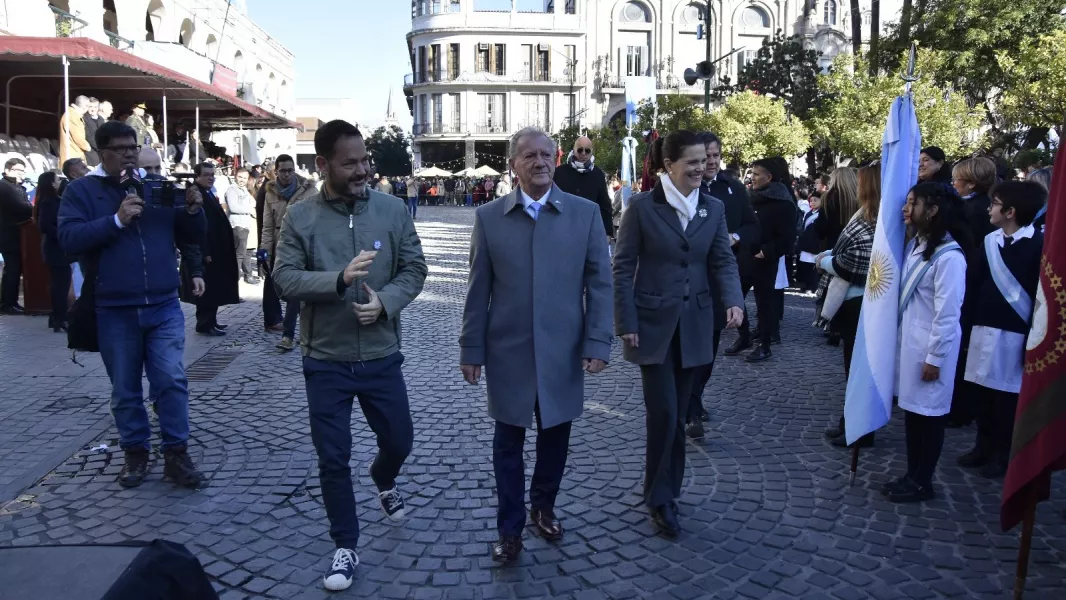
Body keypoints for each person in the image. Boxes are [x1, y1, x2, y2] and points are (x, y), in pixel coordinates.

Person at [272, 120, 427, 591]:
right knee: (332, 458)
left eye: (365, 160)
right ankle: (345, 544)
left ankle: (383, 477)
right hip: (326, 361)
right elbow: (284, 279)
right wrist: (337, 281)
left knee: (399, 441)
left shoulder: (392, 209)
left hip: (382, 355)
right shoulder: (300, 217)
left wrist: (386, 302)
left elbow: (415, 268)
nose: (362, 170)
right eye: (350, 162)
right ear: (322, 165)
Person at [459, 127, 612, 562]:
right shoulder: (489, 218)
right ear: (514, 165)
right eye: (530, 155)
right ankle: (509, 529)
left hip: (562, 350)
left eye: (547, 154)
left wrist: (598, 340)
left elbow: (600, 284)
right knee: (507, 442)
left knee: (555, 436)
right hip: (508, 350)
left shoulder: (584, 214)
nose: (540, 162)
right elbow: (477, 290)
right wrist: (471, 349)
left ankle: (542, 506)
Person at [58, 120, 207, 489]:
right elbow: (68, 238)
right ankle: (135, 454)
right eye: (120, 148)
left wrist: (192, 210)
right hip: (114, 308)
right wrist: (116, 220)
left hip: (163, 304)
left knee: (171, 379)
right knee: (125, 389)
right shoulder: (81, 190)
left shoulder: (155, 186)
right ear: (101, 153)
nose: (128, 153)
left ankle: (176, 453)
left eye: (132, 146)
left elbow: (191, 234)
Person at [613, 130, 744, 537]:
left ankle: (664, 490)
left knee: (680, 411)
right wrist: (626, 322)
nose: (701, 169)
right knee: (665, 413)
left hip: (696, 325)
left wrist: (733, 300)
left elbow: (722, 260)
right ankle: (660, 497)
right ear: (668, 166)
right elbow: (621, 267)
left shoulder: (714, 208)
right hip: (652, 327)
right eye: (691, 163)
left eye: (704, 161)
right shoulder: (641, 208)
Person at [881, 183, 970, 503]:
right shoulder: (917, 245)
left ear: (932, 210)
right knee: (913, 414)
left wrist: (935, 357)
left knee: (929, 417)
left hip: (931, 351)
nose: (906, 209)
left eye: (912, 203)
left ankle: (923, 481)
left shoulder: (950, 257)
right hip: (911, 347)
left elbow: (948, 315)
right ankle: (911, 474)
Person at [957, 181, 1046, 478]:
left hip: (1015, 333)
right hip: (984, 327)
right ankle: (982, 445)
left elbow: (1040, 296)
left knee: (1007, 398)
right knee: (981, 390)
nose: (989, 208)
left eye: (994, 203)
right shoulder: (989, 242)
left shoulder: (1038, 245)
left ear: (1010, 211)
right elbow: (974, 285)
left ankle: (1003, 452)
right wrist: (966, 326)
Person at [685, 131, 759, 437]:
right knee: (689, 347)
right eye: (706, 156)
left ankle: (695, 397)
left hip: (720, 283)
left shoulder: (734, 189)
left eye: (715, 155)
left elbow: (753, 226)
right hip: (689, 284)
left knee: (709, 352)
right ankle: (689, 409)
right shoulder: (685, 188)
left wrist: (736, 237)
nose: (711, 162)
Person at [818, 165, 879, 448]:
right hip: (851, 300)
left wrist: (826, 261)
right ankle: (850, 421)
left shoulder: (874, 218)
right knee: (851, 368)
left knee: (858, 369)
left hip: (861, 302)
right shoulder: (863, 212)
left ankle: (860, 427)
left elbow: (858, 263)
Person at [726, 158, 796, 363]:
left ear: (769, 177)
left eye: (756, 174)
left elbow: (787, 238)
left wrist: (766, 252)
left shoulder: (784, 203)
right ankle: (745, 337)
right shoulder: (750, 198)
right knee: (734, 297)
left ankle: (764, 345)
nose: (752, 178)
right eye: (752, 173)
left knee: (765, 305)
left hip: (765, 261)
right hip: (744, 257)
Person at [948, 157, 998, 428]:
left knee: (962, 345)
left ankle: (960, 408)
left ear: (970, 183)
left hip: (968, 282)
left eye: (957, 180)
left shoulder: (976, 211)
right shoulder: (971, 206)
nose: (953, 184)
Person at [259, 154, 318, 349]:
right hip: (281, 245)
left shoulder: (309, 191)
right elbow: (267, 226)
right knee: (292, 290)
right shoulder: (270, 193)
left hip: (304, 244)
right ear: (276, 172)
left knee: (300, 289)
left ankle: (290, 335)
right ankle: (297, 333)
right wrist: (264, 251)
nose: (287, 174)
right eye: (283, 171)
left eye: (290, 170)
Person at [182, 162, 239, 336]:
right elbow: (198, 228)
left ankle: (212, 321)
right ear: (197, 176)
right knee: (206, 290)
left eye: (212, 175)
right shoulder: (196, 194)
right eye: (206, 174)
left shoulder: (208, 193)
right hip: (207, 252)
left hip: (216, 250)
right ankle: (205, 323)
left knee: (214, 288)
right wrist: (205, 252)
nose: (210, 178)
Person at [553, 136, 615, 240]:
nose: (583, 153)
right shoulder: (559, 173)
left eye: (587, 150)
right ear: (574, 150)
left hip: (588, 230)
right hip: (562, 229)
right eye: (580, 150)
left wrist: (607, 232)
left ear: (591, 152)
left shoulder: (598, 174)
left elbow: (605, 204)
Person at [33, 171, 72, 332]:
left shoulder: (53, 200)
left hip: (58, 249)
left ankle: (57, 317)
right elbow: (45, 225)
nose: (59, 182)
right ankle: (59, 318)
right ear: (51, 183)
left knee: (61, 284)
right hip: (55, 249)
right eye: (57, 180)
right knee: (60, 285)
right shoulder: (48, 202)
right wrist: (63, 234)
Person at [0, 158, 32, 314]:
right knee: (12, 268)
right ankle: (8, 303)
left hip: (18, 234)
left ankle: (11, 302)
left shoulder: (15, 186)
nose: (22, 174)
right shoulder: (5, 187)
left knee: (15, 268)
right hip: (9, 234)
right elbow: (21, 208)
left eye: (23, 171)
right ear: (7, 171)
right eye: (19, 170)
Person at [226, 168, 258, 285]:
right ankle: (234, 284)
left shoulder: (244, 190)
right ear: (235, 176)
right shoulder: (232, 190)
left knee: (242, 254)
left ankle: (236, 284)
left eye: (244, 178)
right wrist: (249, 209)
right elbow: (234, 207)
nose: (242, 180)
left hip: (245, 226)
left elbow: (254, 203)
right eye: (240, 177)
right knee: (238, 256)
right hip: (237, 226)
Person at [795, 194, 822, 293]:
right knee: (805, 265)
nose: (813, 202)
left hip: (815, 242)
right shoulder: (808, 213)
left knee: (814, 267)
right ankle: (805, 284)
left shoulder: (822, 214)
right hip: (806, 242)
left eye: (815, 200)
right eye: (811, 201)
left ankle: (813, 286)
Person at [59, 95, 92, 166]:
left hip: (75, 154)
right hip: (72, 156)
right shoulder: (72, 116)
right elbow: (77, 137)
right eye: (88, 106)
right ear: (85, 107)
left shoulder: (73, 115)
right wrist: (87, 147)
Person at [83, 98, 104, 166]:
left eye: (95, 107)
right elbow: (88, 136)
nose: (93, 109)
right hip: (91, 151)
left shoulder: (101, 119)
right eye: (90, 107)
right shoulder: (84, 118)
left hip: (102, 150)